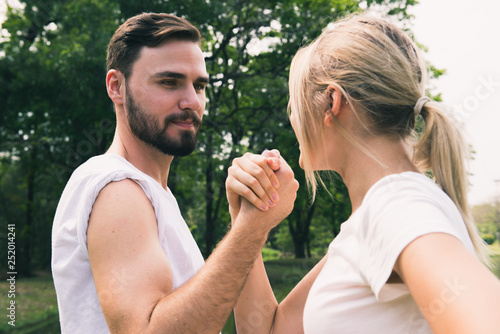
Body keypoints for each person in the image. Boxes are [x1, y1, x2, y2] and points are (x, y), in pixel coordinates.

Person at [225, 15, 500, 334]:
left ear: (332, 102)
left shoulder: (395, 205)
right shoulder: (371, 219)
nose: (293, 120)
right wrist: (245, 222)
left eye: (294, 106)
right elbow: (269, 329)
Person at [51, 12, 298, 333]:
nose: (191, 101)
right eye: (169, 82)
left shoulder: (153, 193)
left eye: (199, 85)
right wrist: (251, 229)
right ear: (117, 87)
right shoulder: (116, 187)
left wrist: (243, 213)